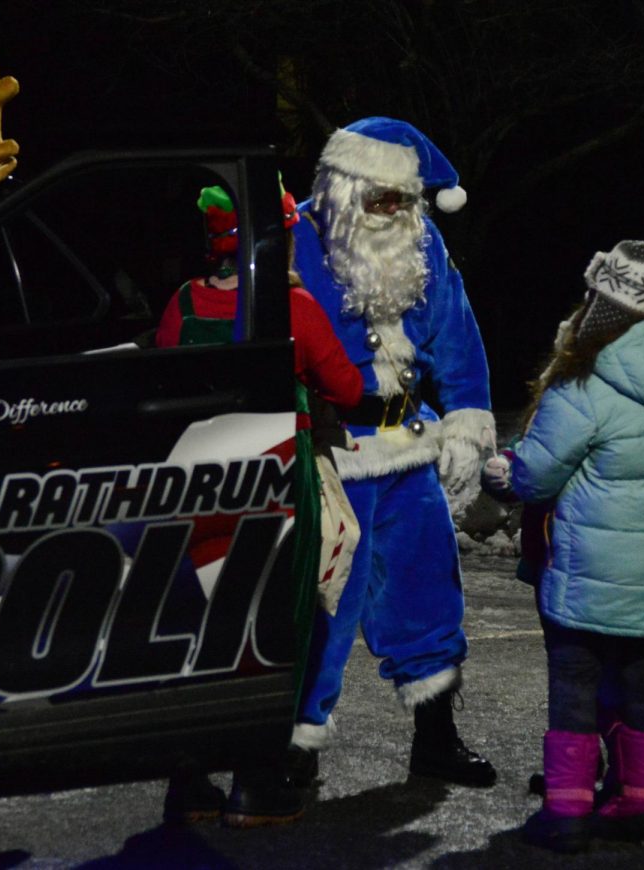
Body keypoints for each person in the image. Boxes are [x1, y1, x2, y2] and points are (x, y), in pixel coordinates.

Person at [286, 116, 497, 790]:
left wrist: (466, 421)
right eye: (382, 200)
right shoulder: (297, 241)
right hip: (332, 456)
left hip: (408, 449)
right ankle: (295, 752)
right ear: (345, 187)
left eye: (404, 201)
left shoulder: (422, 242)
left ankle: (436, 740)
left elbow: (457, 336)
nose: (395, 213)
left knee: (428, 598)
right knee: (324, 609)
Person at [481, 241, 644, 853]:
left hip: (587, 574)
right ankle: (643, 808)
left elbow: (533, 477)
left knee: (576, 687)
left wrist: (500, 469)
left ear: (603, 306)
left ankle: (567, 812)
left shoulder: (584, 388)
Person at [156, 183, 363, 828]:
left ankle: (188, 781)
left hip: (196, 482)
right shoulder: (292, 306)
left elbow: (162, 372)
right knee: (278, 623)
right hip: (274, 482)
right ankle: (256, 781)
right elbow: (348, 388)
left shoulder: (184, 301)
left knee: (200, 626)